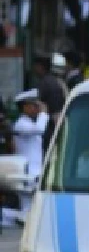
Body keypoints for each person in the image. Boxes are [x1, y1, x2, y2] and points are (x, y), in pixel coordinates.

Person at [10, 90, 47, 221]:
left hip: (33, 172)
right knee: (27, 212)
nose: (37, 108)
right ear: (25, 107)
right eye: (34, 105)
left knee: (30, 211)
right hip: (28, 172)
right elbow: (40, 129)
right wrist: (44, 113)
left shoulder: (30, 123)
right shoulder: (21, 124)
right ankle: (6, 216)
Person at [35, 53, 68, 154]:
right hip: (57, 125)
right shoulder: (60, 83)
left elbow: (41, 104)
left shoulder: (46, 83)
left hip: (49, 127)